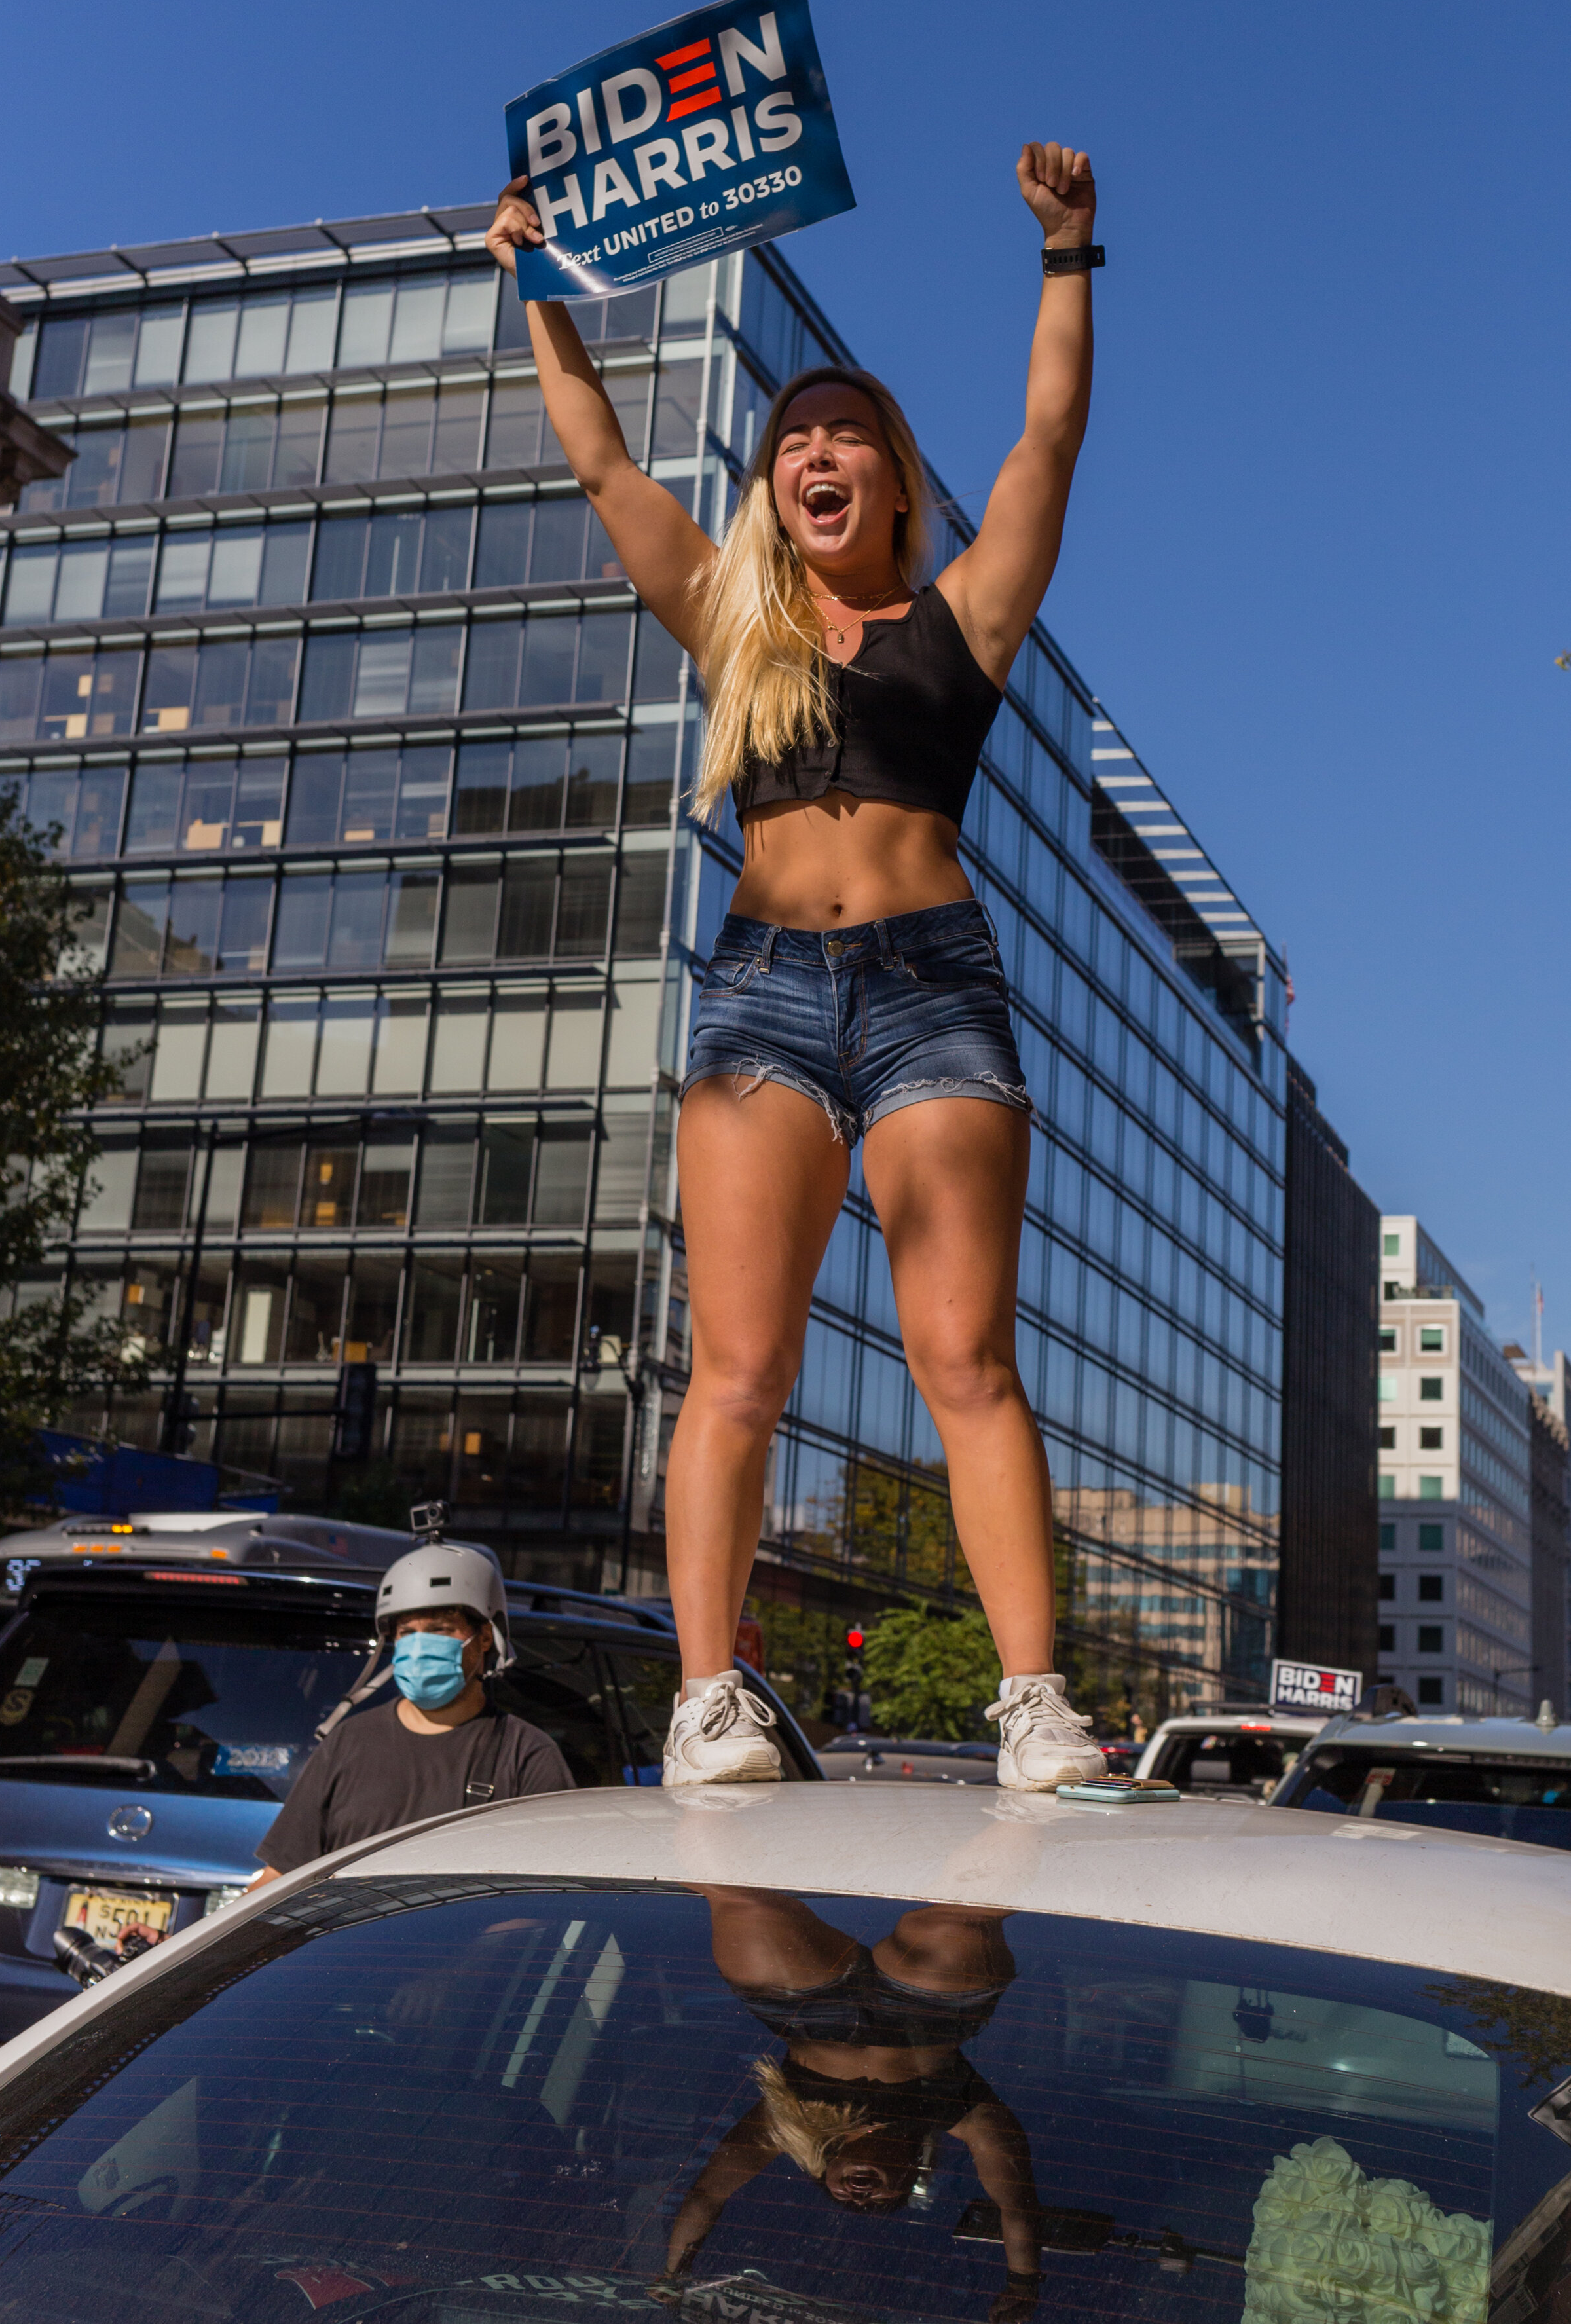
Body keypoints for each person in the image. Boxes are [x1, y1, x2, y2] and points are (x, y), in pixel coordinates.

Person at [485, 141, 1108, 1792]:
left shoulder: (963, 614)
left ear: (893, 478)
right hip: (761, 993)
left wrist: (1067, 255)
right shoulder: (730, 620)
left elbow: (1047, 437)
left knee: (964, 1356)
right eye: (790, 443)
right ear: (773, 489)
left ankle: (1031, 1697)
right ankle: (708, 1696)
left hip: (929, 993)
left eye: (845, 437)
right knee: (741, 1365)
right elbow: (606, 462)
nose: (813, 453)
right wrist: (542, 285)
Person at [656, 1887, 1040, 2322]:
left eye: (845, 2201)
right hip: (931, 2011)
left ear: (825, 2175)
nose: (860, 2198)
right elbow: (1016, 2204)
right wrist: (1022, 2283)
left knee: (743, 1901)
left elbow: (707, 2195)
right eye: (880, 2203)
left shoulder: (789, 2123)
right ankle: (1027, 1821)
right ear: (912, 2175)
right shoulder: (963, 2117)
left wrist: (674, 2275)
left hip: (801, 2007)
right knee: (953, 1922)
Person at [247, 1543, 572, 1882]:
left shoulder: (527, 1756)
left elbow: (548, 1893)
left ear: (486, 1637)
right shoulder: (349, 1742)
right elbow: (281, 1875)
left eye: (440, 1630)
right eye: (407, 1633)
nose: (419, 1647)